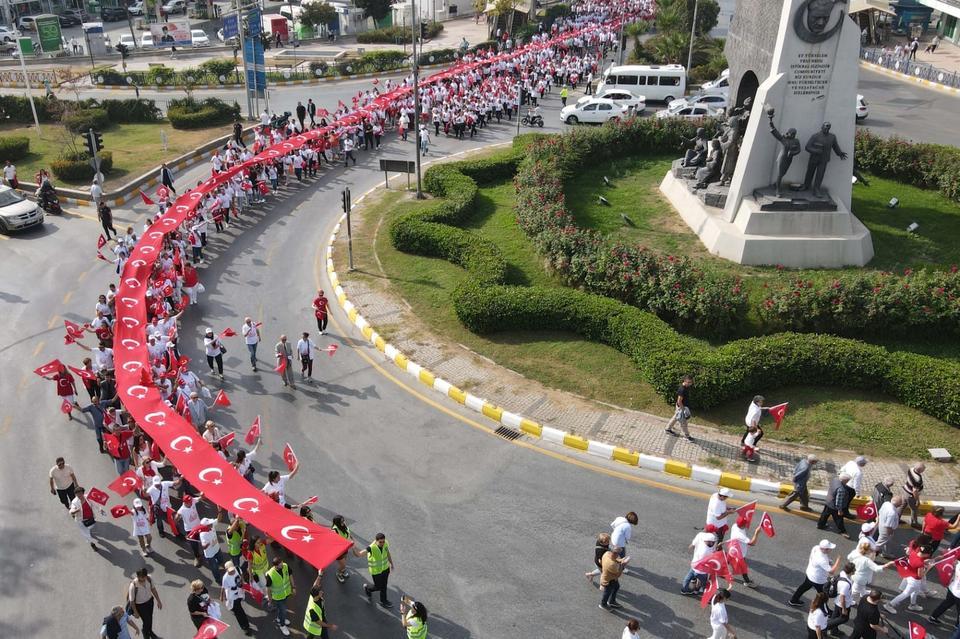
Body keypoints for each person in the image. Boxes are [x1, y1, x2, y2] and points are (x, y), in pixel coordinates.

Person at [883, 540, 932, 614]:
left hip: (909, 575)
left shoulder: (913, 553)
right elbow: (920, 575)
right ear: (927, 554)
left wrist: (925, 562)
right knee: (906, 594)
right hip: (915, 580)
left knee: (915, 591)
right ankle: (889, 605)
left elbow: (914, 563)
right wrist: (928, 568)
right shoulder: (920, 563)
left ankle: (913, 604)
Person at [789, 540, 842, 607]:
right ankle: (824, 609)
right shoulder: (822, 559)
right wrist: (838, 561)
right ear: (825, 549)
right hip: (818, 580)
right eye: (830, 548)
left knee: (803, 587)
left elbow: (824, 560)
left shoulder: (816, 548)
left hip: (810, 574)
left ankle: (794, 600)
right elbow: (831, 571)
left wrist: (829, 561)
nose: (831, 550)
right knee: (823, 595)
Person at [355, 532, 394, 607]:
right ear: (376, 541)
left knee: (384, 586)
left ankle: (384, 601)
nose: (382, 543)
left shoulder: (385, 543)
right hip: (376, 572)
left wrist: (391, 563)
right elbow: (359, 554)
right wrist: (353, 548)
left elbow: (388, 553)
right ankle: (368, 588)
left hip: (385, 569)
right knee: (378, 586)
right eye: (380, 542)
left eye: (383, 541)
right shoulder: (371, 548)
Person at [220, 561, 254, 635]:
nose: (232, 572)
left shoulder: (237, 569)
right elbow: (223, 587)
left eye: (233, 570)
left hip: (239, 592)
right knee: (239, 612)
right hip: (232, 595)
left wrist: (243, 582)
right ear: (226, 570)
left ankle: (233, 609)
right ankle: (245, 627)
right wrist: (222, 596)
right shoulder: (225, 578)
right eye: (230, 571)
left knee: (238, 606)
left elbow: (241, 575)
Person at [681, 526, 718, 595]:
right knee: (703, 582)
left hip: (694, 566)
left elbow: (691, 546)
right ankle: (698, 590)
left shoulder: (700, 536)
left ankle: (685, 589)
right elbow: (713, 556)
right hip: (703, 571)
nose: (712, 543)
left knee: (687, 578)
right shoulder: (709, 549)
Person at [128, 567, 161, 639]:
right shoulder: (133, 585)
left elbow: (153, 589)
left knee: (150, 619)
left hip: (150, 602)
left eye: (143, 578)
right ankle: (146, 634)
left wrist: (158, 601)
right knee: (146, 621)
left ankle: (150, 632)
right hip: (140, 605)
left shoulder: (149, 579)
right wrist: (136, 612)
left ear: (146, 576)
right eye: (139, 578)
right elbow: (132, 601)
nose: (141, 579)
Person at [817, 474, 855, 538]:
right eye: (847, 480)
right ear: (845, 481)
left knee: (825, 514)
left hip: (828, 501)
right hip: (834, 506)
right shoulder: (841, 489)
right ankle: (842, 531)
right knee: (839, 519)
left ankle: (820, 525)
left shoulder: (835, 479)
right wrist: (839, 510)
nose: (848, 482)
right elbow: (838, 502)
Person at [265, 557, 295, 635]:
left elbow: (290, 575)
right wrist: (270, 600)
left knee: (281, 610)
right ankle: (282, 625)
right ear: (275, 566)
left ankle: (279, 618)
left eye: (281, 562)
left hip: (286, 593)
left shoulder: (285, 566)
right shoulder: (270, 574)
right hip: (278, 597)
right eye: (280, 564)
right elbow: (268, 589)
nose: (282, 564)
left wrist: (293, 587)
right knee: (283, 611)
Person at [929, 551, 960, 625]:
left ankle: (933, 616)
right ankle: (958, 625)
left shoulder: (958, 564)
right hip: (958, 593)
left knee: (946, 603)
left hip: (952, 588)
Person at [664, 375, 694, 441]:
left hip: (680, 407)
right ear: (684, 381)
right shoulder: (682, 389)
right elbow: (679, 401)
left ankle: (667, 429)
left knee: (675, 417)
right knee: (684, 423)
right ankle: (687, 436)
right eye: (688, 382)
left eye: (691, 382)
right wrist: (683, 410)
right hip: (681, 407)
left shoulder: (686, 387)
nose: (690, 384)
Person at [69, 486, 100, 550]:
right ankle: (92, 544)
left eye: (80, 494)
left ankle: (89, 533)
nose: (79, 496)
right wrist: (76, 510)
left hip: (90, 517)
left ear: (83, 493)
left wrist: (100, 509)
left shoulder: (87, 497)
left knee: (90, 528)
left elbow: (94, 503)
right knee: (87, 534)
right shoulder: (74, 502)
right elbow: (71, 511)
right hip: (81, 521)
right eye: (77, 495)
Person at [199, 518, 224, 585]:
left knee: (221, 560)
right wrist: (206, 544)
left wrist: (220, 511)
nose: (212, 524)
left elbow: (219, 519)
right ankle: (218, 579)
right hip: (210, 554)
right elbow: (204, 546)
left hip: (217, 549)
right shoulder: (203, 534)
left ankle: (219, 565)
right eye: (210, 524)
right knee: (214, 568)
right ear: (206, 526)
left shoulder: (211, 526)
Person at [330, 515, 353, 583]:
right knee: (343, 565)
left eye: (343, 520)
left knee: (344, 561)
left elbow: (348, 532)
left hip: (345, 547)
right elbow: (332, 542)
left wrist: (351, 539)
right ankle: (338, 574)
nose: (344, 522)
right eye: (342, 521)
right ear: (337, 523)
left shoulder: (343, 525)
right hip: (338, 551)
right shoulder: (334, 530)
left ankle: (342, 572)